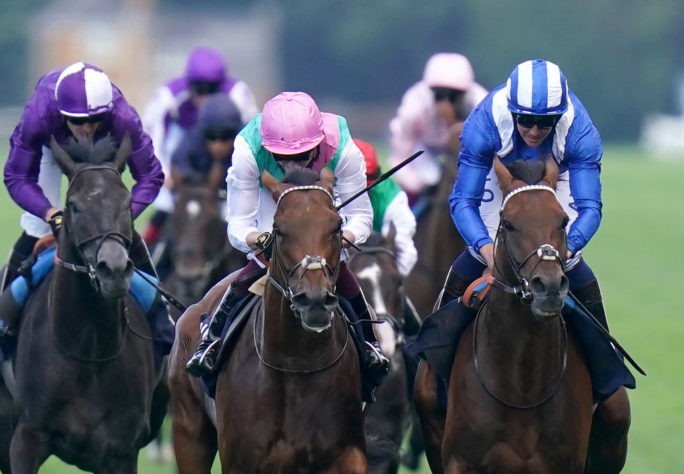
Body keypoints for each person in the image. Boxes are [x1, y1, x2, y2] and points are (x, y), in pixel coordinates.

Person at [420, 59, 630, 420]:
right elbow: (464, 201)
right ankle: (434, 381)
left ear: (559, 117)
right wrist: (486, 250)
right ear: (512, 112)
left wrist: (562, 251)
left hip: (556, 178)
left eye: (545, 123)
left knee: (578, 274)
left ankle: (605, 384)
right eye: (526, 120)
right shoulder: (483, 124)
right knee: (463, 268)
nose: (534, 130)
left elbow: (589, 207)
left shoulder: (579, 131)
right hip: (494, 178)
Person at [185, 91, 388, 400]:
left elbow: (360, 216)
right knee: (258, 267)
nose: (291, 164)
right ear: (267, 147)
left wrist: (336, 238)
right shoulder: (246, 149)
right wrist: (259, 239)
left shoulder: (343, 148)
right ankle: (212, 342)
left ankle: (369, 343)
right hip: (270, 209)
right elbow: (239, 224)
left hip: (321, 213)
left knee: (337, 269)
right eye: (281, 157)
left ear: (319, 144)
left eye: (303, 154)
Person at [0, 61, 173, 359]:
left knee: (116, 233)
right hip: (53, 147)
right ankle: (3, 315)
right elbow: (17, 176)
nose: (86, 128)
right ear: (63, 115)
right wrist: (51, 214)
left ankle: (161, 314)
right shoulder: (40, 115)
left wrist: (120, 216)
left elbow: (150, 176)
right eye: (77, 121)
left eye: (95, 119)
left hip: (106, 151)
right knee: (37, 229)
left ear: (107, 112)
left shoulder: (122, 118)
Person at [142, 46, 258, 242]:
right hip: (185, 145)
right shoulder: (169, 95)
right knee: (165, 206)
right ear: (189, 85)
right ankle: (147, 248)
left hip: (229, 149)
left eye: (211, 90)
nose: (204, 98)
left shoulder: (238, 94)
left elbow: (253, 136)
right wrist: (163, 173)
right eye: (199, 90)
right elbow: (152, 133)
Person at [388, 52, 487, 207]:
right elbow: (400, 158)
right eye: (439, 95)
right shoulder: (413, 109)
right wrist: (419, 186)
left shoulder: (481, 106)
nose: (446, 103)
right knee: (430, 179)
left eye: (454, 96)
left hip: (464, 150)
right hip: (423, 149)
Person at [351, 138, 417, 277]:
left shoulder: (392, 198)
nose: (361, 192)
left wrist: (389, 281)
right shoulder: (329, 190)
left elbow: (405, 253)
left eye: (366, 186)